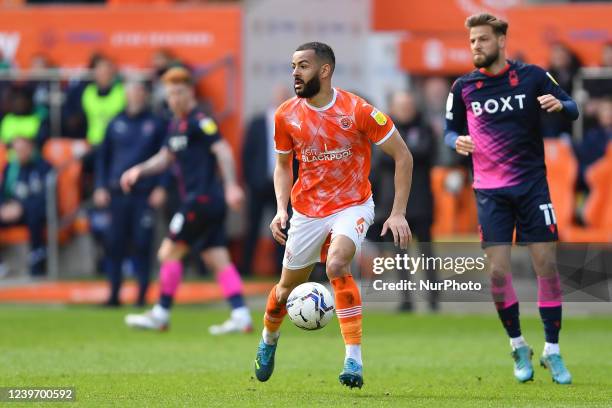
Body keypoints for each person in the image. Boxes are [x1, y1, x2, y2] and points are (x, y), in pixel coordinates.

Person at [253, 42, 413, 389]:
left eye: (304, 66)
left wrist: (398, 212)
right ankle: (269, 339)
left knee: (338, 264)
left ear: (325, 70)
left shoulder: (358, 110)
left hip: (352, 204)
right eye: (293, 65)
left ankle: (353, 359)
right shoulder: (286, 115)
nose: (295, 72)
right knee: (284, 290)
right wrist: (282, 209)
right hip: (307, 211)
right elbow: (283, 166)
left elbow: (403, 155)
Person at [444, 13, 579, 385]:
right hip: (490, 193)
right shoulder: (463, 87)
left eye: (483, 40)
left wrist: (559, 105)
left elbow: (573, 108)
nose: (476, 46)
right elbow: (448, 131)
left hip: (533, 186)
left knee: (545, 267)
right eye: (472, 41)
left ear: (501, 41)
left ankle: (552, 350)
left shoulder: (533, 76)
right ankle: (518, 344)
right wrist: (455, 141)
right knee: (499, 273)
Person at [121, 67, 252, 334]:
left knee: (168, 252)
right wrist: (138, 170)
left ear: (190, 92)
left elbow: (223, 151)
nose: (174, 99)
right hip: (202, 201)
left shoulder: (200, 120)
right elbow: (164, 158)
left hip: (201, 199)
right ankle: (241, 315)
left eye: (179, 93)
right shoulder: (176, 125)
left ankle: (161, 313)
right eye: (170, 94)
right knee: (216, 257)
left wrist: (231, 187)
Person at [94, 80, 168, 306]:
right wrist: (100, 186)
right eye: (130, 91)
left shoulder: (156, 123)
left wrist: (161, 186)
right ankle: (114, 295)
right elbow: (102, 157)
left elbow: (167, 156)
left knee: (142, 243)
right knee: (114, 244)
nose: (134, 96)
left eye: (138, 91)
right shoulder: (115, 122)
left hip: (143, 194)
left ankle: (142, 296)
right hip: (117, 194)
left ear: (145, 95)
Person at [369, 90, 438, 311]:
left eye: (409, 105)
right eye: (402, 105)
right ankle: (406, 298)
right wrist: (405, 155)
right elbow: (380, 160)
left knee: (427, 252)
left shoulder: (424, 128)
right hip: (393, 204)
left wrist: (400, 155)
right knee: (400, 256)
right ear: (393, 108)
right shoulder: (384, 131)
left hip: (421, 202)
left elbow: (427, 153)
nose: (406, 109)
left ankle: (433, 298)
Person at [241, 84, 291, 276]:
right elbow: (247, 154)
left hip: (285, 187)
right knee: (252, 227)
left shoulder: (294, 124)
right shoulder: (257, 123)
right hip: (259, 184)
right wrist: (249, 181)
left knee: (284, 228)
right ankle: (246, 269)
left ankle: (281, 269)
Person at [0, 136, 52, 276]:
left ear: (31, 148)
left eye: (22, 150)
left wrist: (21, 207)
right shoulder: (10, 168)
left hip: (35, 212)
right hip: (12, 211)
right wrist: (4, 207)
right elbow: (3, 192)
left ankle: (37, 260)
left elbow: (46, 198)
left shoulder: (43, 167)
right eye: (16, 151)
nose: (19, 154)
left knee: (34, 213)